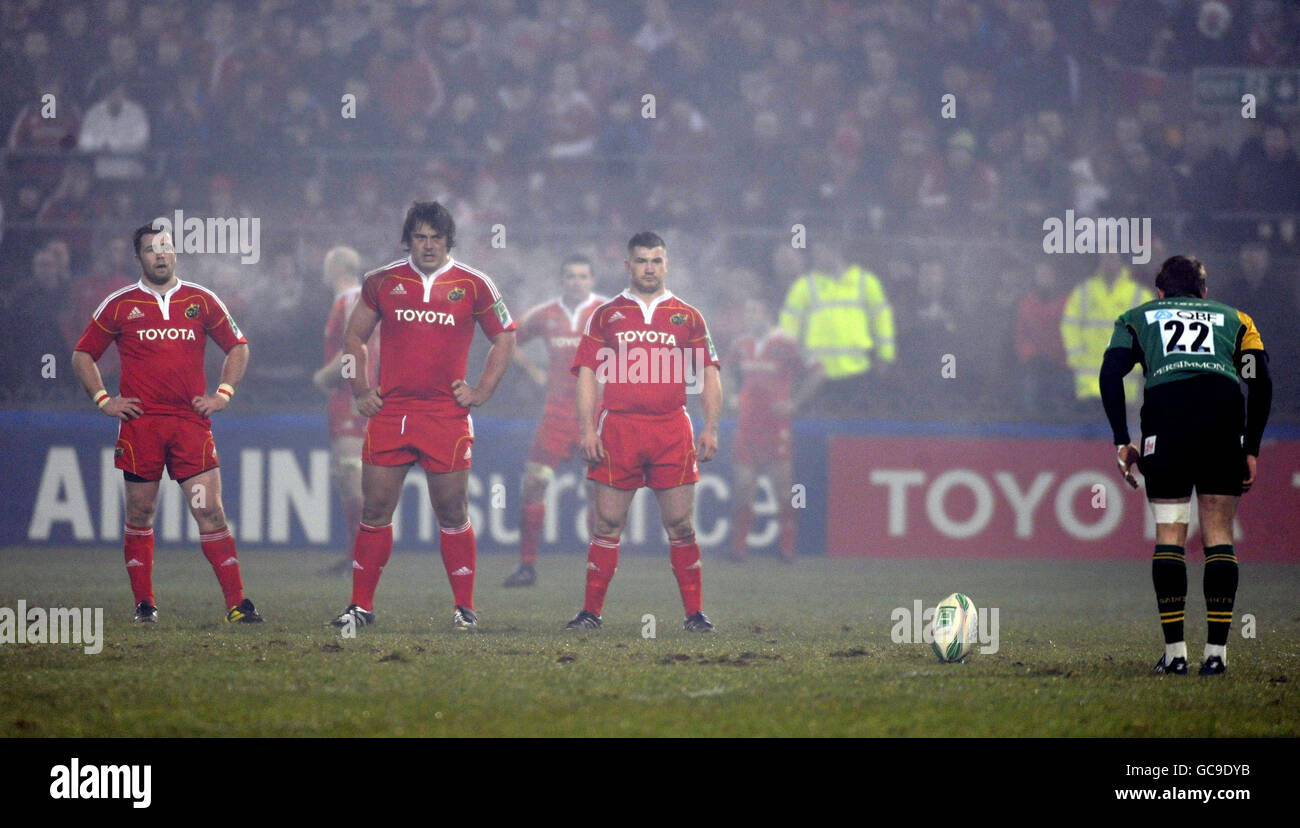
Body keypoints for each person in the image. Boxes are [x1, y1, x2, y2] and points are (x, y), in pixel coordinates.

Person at [331, 201, 516, 632]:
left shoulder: (475, 284)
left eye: (436, 237)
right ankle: (360, 606)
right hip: (392, 412)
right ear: (408, 239)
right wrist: (360, 389)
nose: (428, 245)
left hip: (445, 415)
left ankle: (464, 608)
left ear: (448, 240)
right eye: (420, 236)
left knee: (452, 509)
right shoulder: (383, 281)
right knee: (375, 508)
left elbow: (505, 336)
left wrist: (482, 390)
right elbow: (354, 336)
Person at [70, 224, 262, 624]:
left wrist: (222, 394)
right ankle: (145, 605)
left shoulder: (201, 300)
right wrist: (104, 400)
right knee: (141, 513)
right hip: (142, 424)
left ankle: (238, 604)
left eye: (166, 248)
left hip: (190, 423)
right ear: (137, 257)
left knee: (210, 511)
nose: (160, 255)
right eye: (151, 250)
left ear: (175, 254)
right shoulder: (120, 304)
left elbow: (238, 346)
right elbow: (82, 354)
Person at [1100, 255, 1272, 677]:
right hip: (1221, 428)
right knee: (1218, 536)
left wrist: (1123, 440)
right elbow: (1260, 382)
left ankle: (1176, 653)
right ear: (1204, 293)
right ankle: (1216, 655)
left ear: (1160, 293)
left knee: (1171, 533)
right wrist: (1251, 446)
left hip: (1168, 428)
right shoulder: (1238, 320)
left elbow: (1109, 374)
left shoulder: (1137, 318)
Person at [564, 231, 722, 632]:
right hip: (618, 428)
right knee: (608, 524)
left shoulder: (688, 316)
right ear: (628, 265)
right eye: (641, 261)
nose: (648, 268)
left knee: (681, 525)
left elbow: (709, 372)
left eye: (655, 260)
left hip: (672, 429)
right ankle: (590, 613)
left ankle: (695, 615)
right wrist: (587, 429)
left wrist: (711, 427)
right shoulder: (606, 315)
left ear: (666, 264)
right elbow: (586, 373)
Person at [502, 254, 607, 587]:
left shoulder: (608, 313)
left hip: (597, 414)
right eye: (570, 276)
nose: (576, 281)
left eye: (582, 276)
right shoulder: (545, 314)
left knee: (597, 491)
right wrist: (533, 372)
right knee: (534, 484)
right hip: (557, 412)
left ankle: (598, 567)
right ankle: (527, 566)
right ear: (562, 280)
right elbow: (506, 337)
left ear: (591, 280)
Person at [727, 297, 821, 562]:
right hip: (747, 425)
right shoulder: (740, 345)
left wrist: (795, 403)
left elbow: (817, 370)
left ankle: (788, 548)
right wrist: (732, 395)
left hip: (776, 426)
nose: (749, 316)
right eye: (746, 311)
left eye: (754, 310)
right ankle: (738, 549)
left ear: (767, 313)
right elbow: (722, 371)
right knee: (744, 486)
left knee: (783, 489)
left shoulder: (786, 343)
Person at [312, 245, 377, 577]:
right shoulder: (354, 298)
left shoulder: (351, 299)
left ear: (336, 267)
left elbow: (356, 345)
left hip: (352, 398)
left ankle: (362, 558)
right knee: (345, 475)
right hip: (350, 397)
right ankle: (355, 554)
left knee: (352, 476)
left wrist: (324, 375)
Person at [778, 242, 894, 417]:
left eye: (820, 252)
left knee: (855, 432)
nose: (816, 258)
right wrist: (789, 362)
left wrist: (885, 356)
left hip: (859, 373)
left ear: (836, 251)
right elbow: (788, 328)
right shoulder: (804, 286)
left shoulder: (865, 282)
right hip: (816, 377)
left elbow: (882, 322)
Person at [1062, 251, 1152, 413]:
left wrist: (1139, 363)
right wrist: (1076, 356)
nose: (1108, 262)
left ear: (1121, 261)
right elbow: (1069, 325)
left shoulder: (1138, 294)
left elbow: (1150, 334)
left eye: (1113, 257)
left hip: (1125, 384)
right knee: (1089, 434)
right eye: (1105, 257)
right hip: (1089, 384)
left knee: (1120, 434)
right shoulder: (1084, 291)